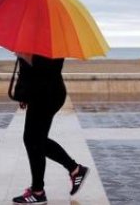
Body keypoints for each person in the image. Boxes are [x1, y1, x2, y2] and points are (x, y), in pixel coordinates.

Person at [12, 53, 89, 204]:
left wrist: (22, 90)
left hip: (44, 94)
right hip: (48, 92)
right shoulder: (52, 36)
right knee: (35, 140)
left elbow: (33, 69)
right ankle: (74, 170)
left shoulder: (36, 39)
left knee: (33, 139)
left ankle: (38, 191)